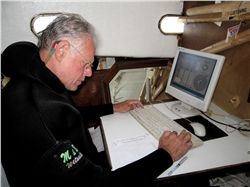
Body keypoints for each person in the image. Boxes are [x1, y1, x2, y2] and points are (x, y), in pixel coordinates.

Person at [1, 13, 192, 187]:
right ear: (61, 50)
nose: (89, 72)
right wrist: (165, 155)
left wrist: (112, 107)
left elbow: (67, 116)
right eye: (86, 64)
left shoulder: (38, 76)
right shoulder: (35, 115)